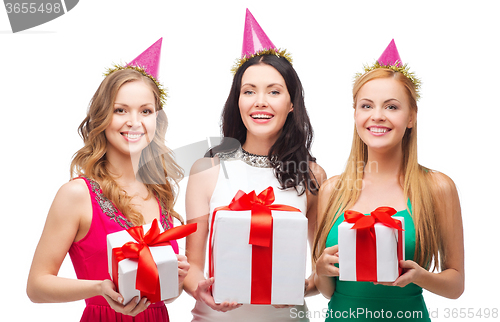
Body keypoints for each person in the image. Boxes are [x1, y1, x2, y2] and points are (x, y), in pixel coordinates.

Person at [26, 38, 189, 321]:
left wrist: (176, 279)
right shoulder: (77, 194)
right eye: (120, 110)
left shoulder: (159, 194)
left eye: (146, 111)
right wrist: (100, 289)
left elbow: (163, 297)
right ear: (102, 117)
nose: (134, 121)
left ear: (156, 121)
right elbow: (36, 286)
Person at [183, 9, 326, 322]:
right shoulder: (206, 170)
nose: (260, 101)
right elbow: (192, 265)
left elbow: (321, 268)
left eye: (274, 91)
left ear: (291, 104)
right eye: (249, 91)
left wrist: (300, 287)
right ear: (238, 100)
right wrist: (200, 289)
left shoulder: (312, 175)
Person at [313, 40, 464, 321]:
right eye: (366, 106)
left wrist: (420, 276)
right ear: (356, 114)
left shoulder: (437, 187)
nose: (377, 116)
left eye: (392, 107)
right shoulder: (332, 189)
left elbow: (456, 285)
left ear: (411, 117)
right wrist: (321, 270)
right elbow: (327, 291)